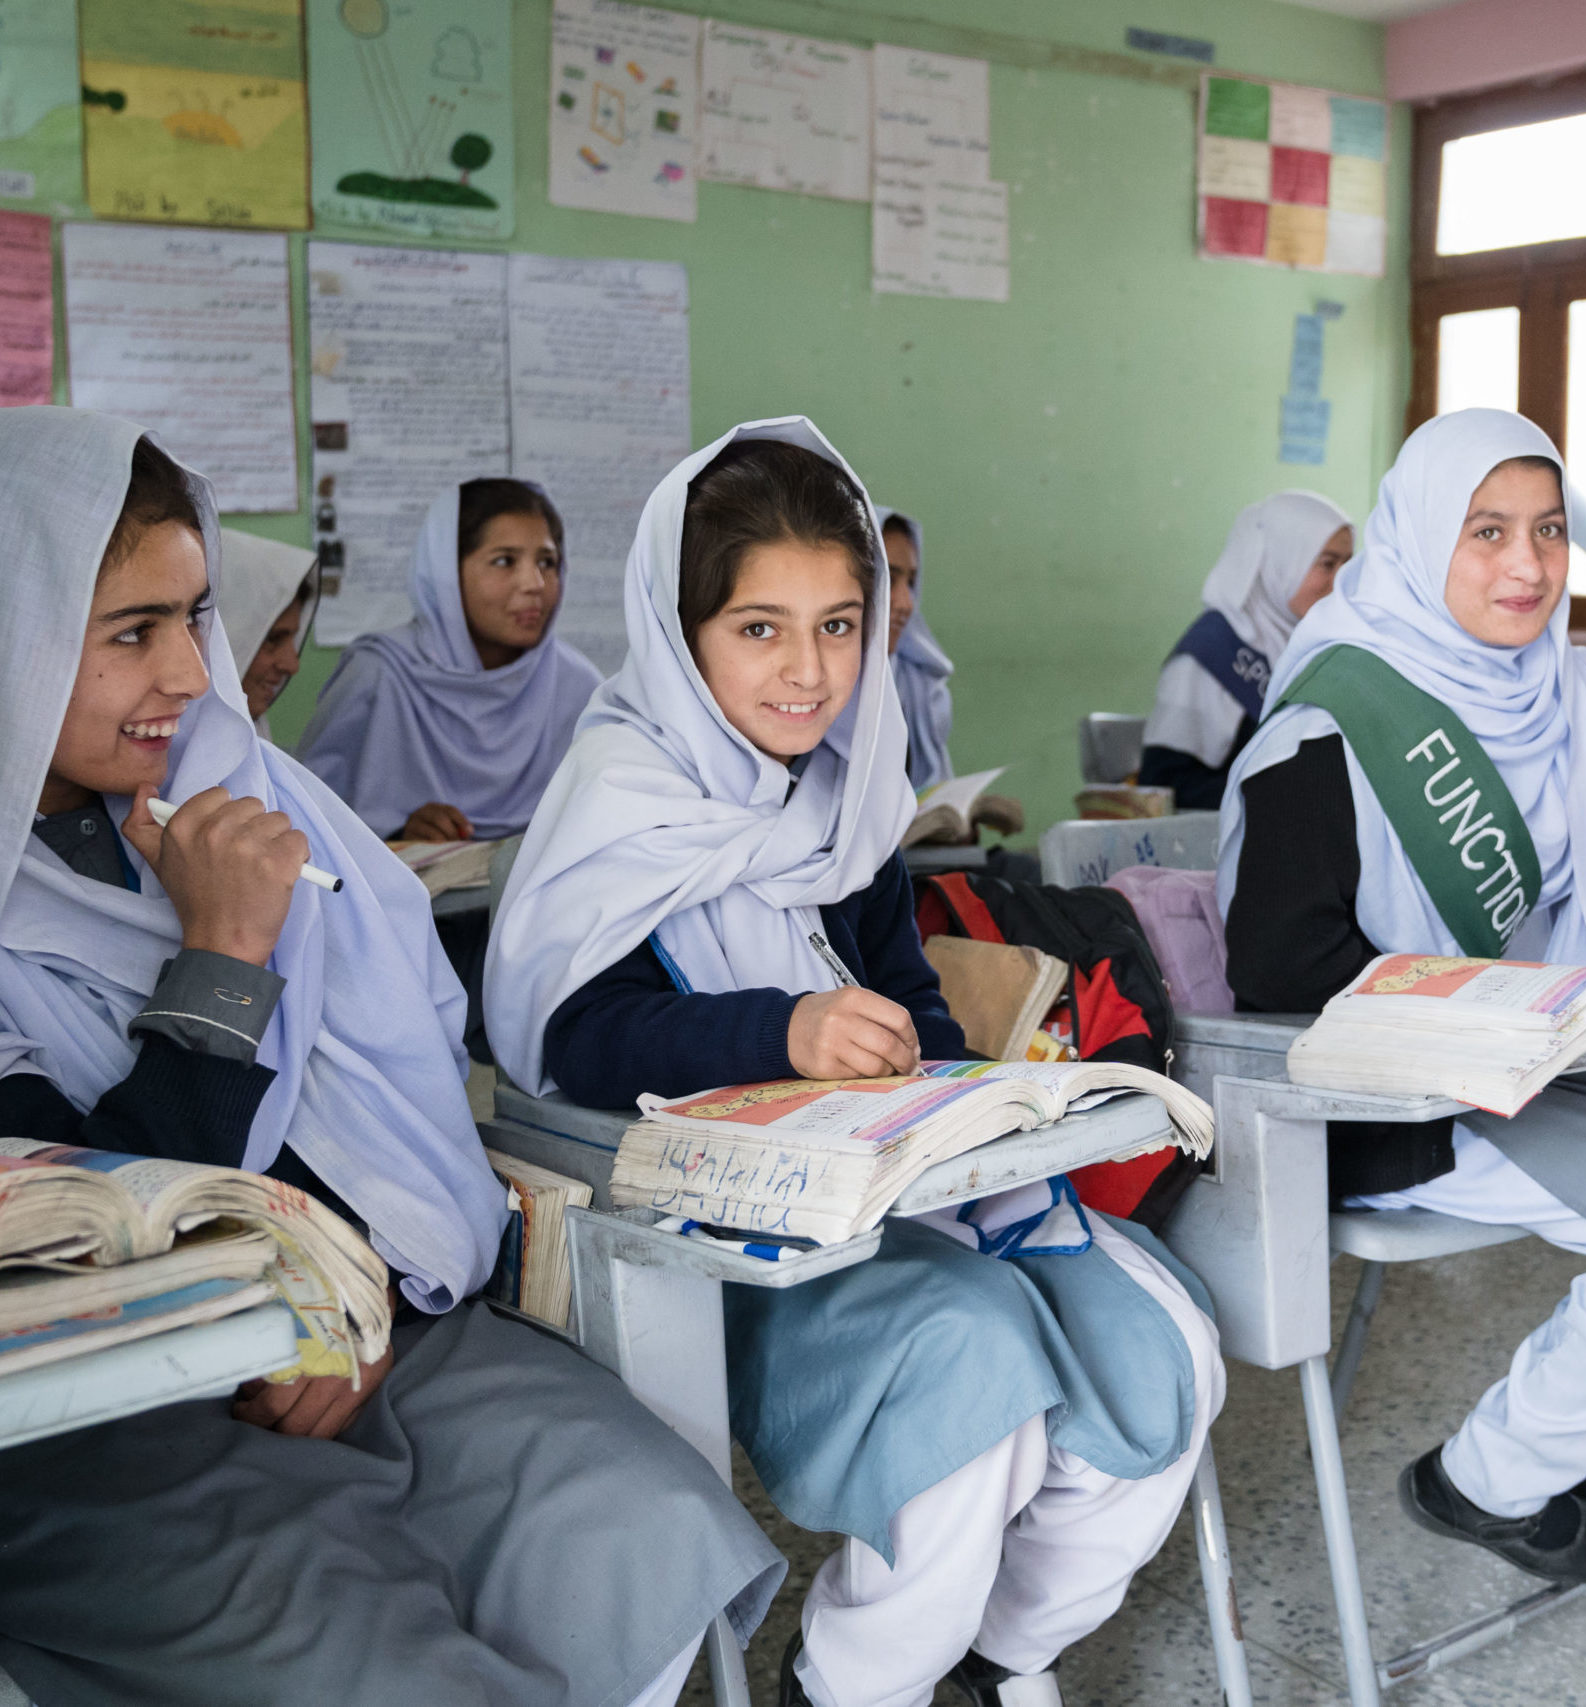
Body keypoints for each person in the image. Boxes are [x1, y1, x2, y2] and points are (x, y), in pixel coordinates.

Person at [0, 408, 783, 1707]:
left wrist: (359, 1284)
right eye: (131, 631)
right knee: (360, 1653)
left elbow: (404, 1072)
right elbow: (74, 1232)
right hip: (106, 1405)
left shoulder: (260, 795)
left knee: (636, 1515)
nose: (195, 675)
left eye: (194, 618)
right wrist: (224, 953)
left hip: (384, 1318)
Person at [486, 418, 1224, 1707]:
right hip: (713, 1239)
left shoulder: (849, 798)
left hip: (905, 1197)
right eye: (759, 628)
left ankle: (999, 1655)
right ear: (681, 630)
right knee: (976, 1378)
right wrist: (777, 1031)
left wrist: (977, 1101)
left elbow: (909, 1011)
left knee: (1163, 1344)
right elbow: (574, 1041)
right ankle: (853, 1682)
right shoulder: (620, 801)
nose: (810, 672)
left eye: (840, 623)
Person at [1218, 408, 1586, 1585]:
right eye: (1486, 531)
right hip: (1396, 1104)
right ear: (1419, 537)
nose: (1529, 565)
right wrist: (1499, 1021)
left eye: (1547, 529)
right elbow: (1284, 970)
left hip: (1552, 1075)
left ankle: (1571, 1436)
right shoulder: (1333, 720)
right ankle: (1485, 1479)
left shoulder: (1576, 696)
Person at [298, 478, 601, 842]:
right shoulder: (380, 674)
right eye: (504, 561)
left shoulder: (579, 687)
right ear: (446, 574)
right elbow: (311, 819)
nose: (534, 583)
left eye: (548, 562)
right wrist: (398, 831)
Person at [1139, 492, 1353, 809]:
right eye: (1327, 564)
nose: (1341, 582)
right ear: (1280, 560)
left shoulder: (1317, 643)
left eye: (1348, 565)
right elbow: (1165, 786)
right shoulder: (1212, 648)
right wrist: (1287, 793)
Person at [877, 506, 955, 789]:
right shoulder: (812, 686)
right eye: (888, 578)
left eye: (911, 582)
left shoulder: (917, 683)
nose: (907, 603)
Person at [216, 527, 317, 737]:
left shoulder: (255, 733)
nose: (292, 665)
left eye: (292, 638)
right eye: (272, 639)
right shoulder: (168, 757)